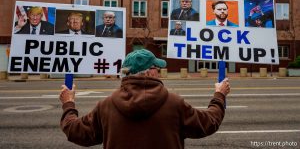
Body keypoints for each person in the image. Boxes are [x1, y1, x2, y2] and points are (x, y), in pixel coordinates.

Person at [60, 49, 230, 149]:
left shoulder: (106, 105)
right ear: (149, 72)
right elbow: (208, 122)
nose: (160, 71)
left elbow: (75, 131)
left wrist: (68, 103)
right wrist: (219, 95)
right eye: (156, 67)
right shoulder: (174, 103)